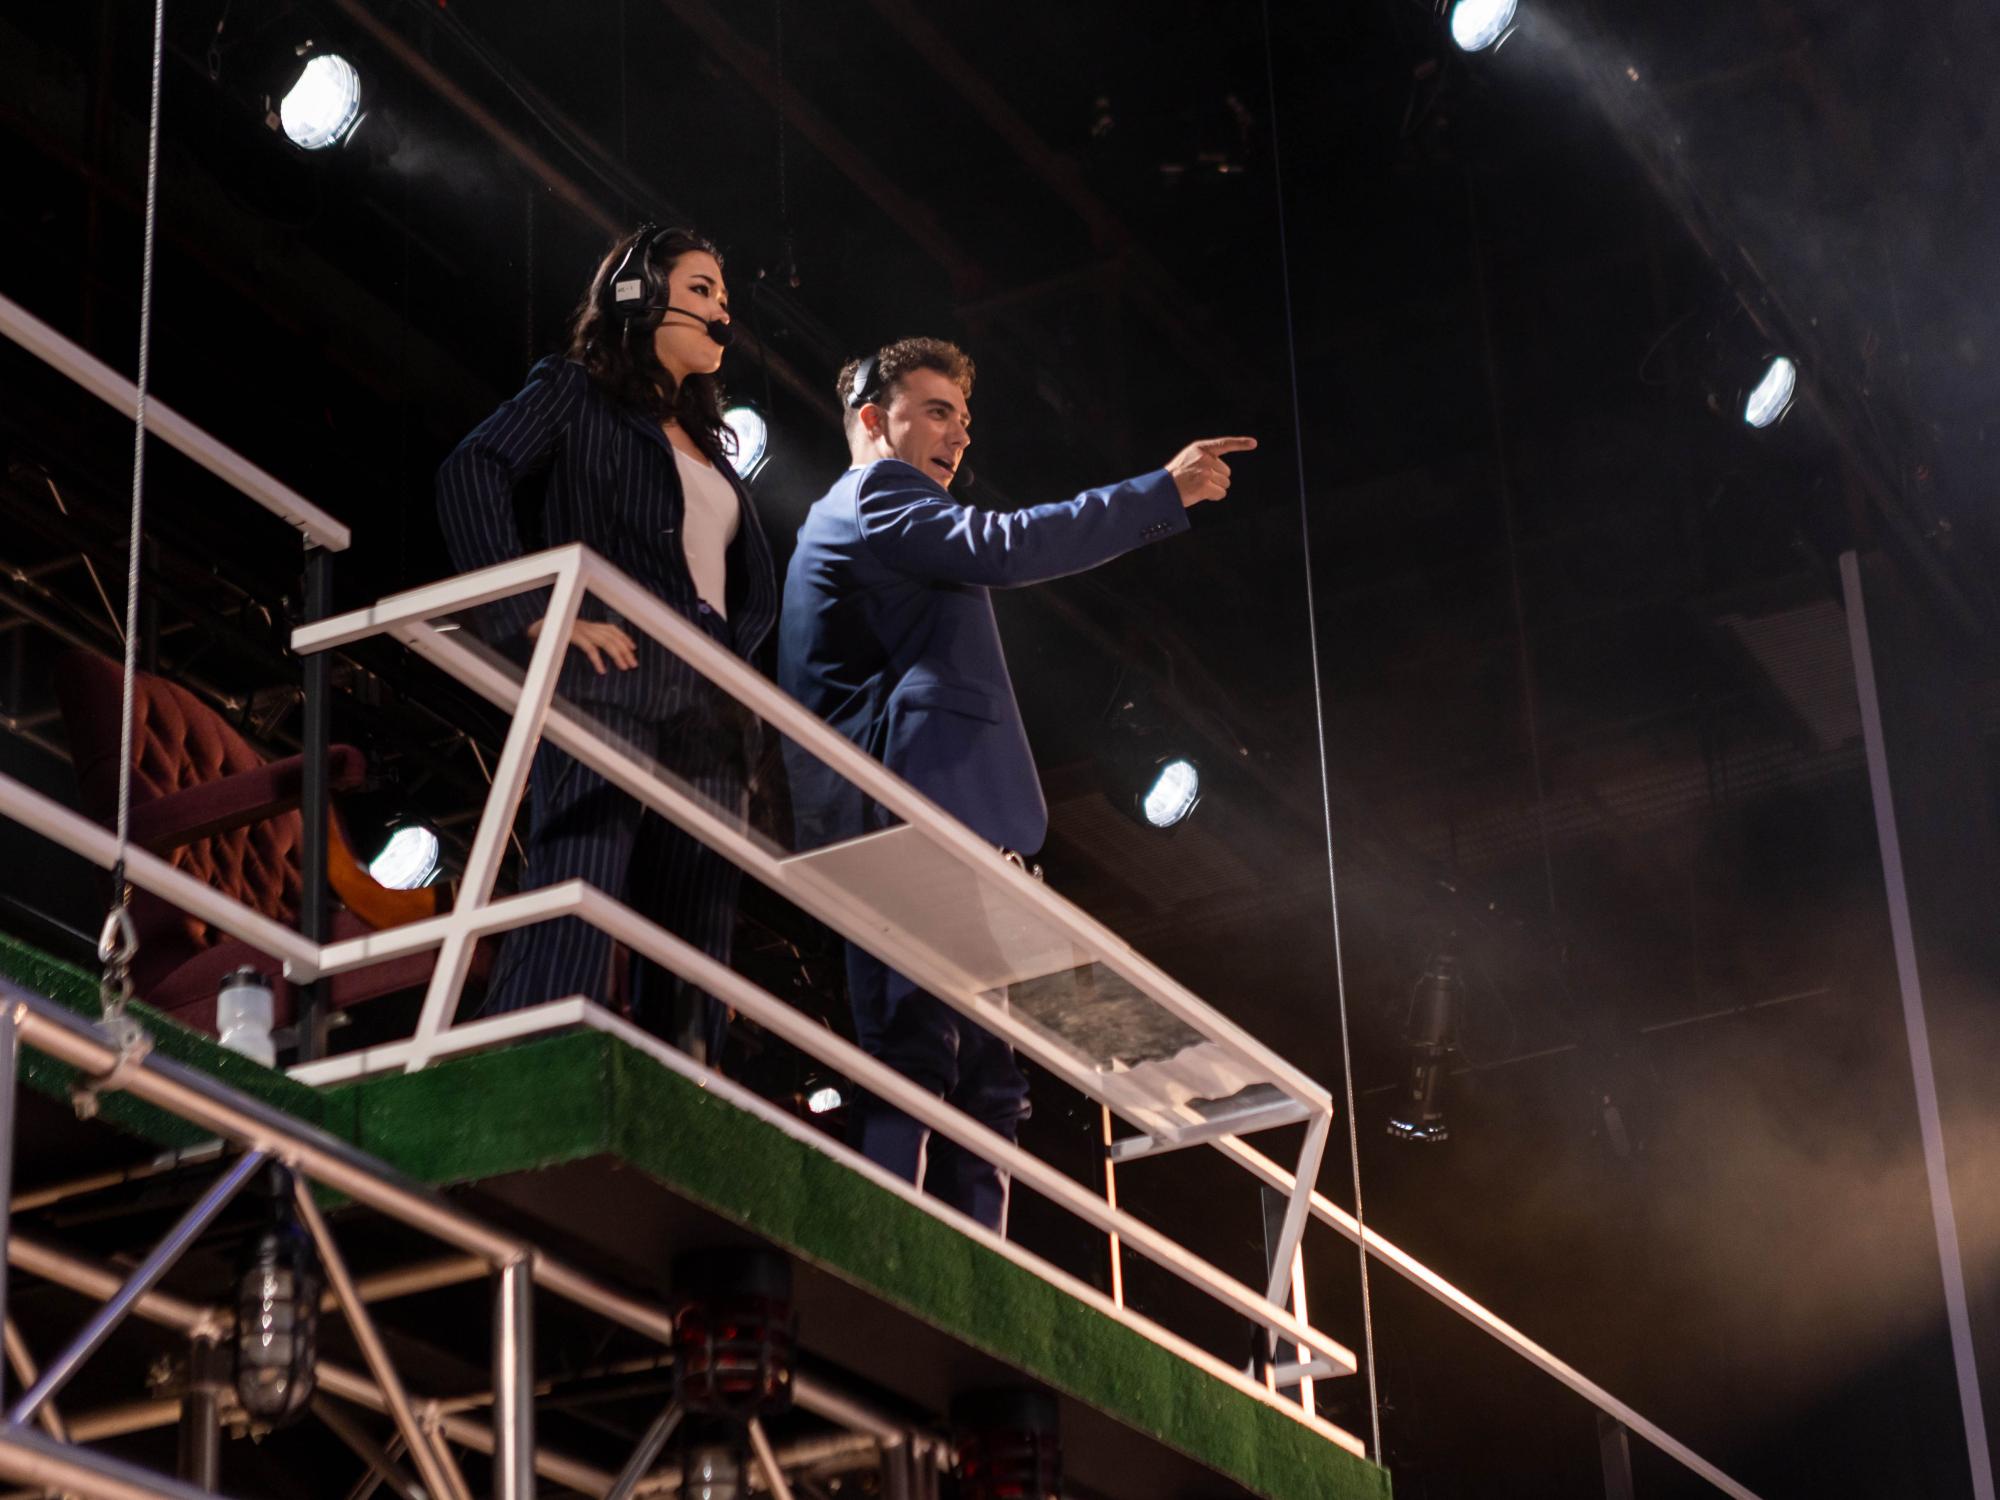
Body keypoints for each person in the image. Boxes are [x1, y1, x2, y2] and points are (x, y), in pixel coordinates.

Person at [777, 335, 1251, 1231]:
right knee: (916, 1046)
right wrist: (1162, 492)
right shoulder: (881, 493)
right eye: (939, 411)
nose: (961, 435)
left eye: (966, 418)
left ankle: (972, 1265)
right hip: (908, 812)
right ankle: (899, 1249)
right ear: (877, 420)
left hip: (928, 812)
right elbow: (1005, 543)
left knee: (988, 1069)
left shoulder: (865, 514)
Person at [436, 223, 776, 1063]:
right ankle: (517, 1072)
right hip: (613, 675)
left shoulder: (714, 451)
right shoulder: (574, 391)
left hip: (712, 700)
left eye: (724, 297)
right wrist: (533, 610)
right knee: (580, 885)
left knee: (699, 934)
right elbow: (471, 469)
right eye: (701, 289)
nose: (720, 310)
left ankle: (686, 1105)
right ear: (634, 294)